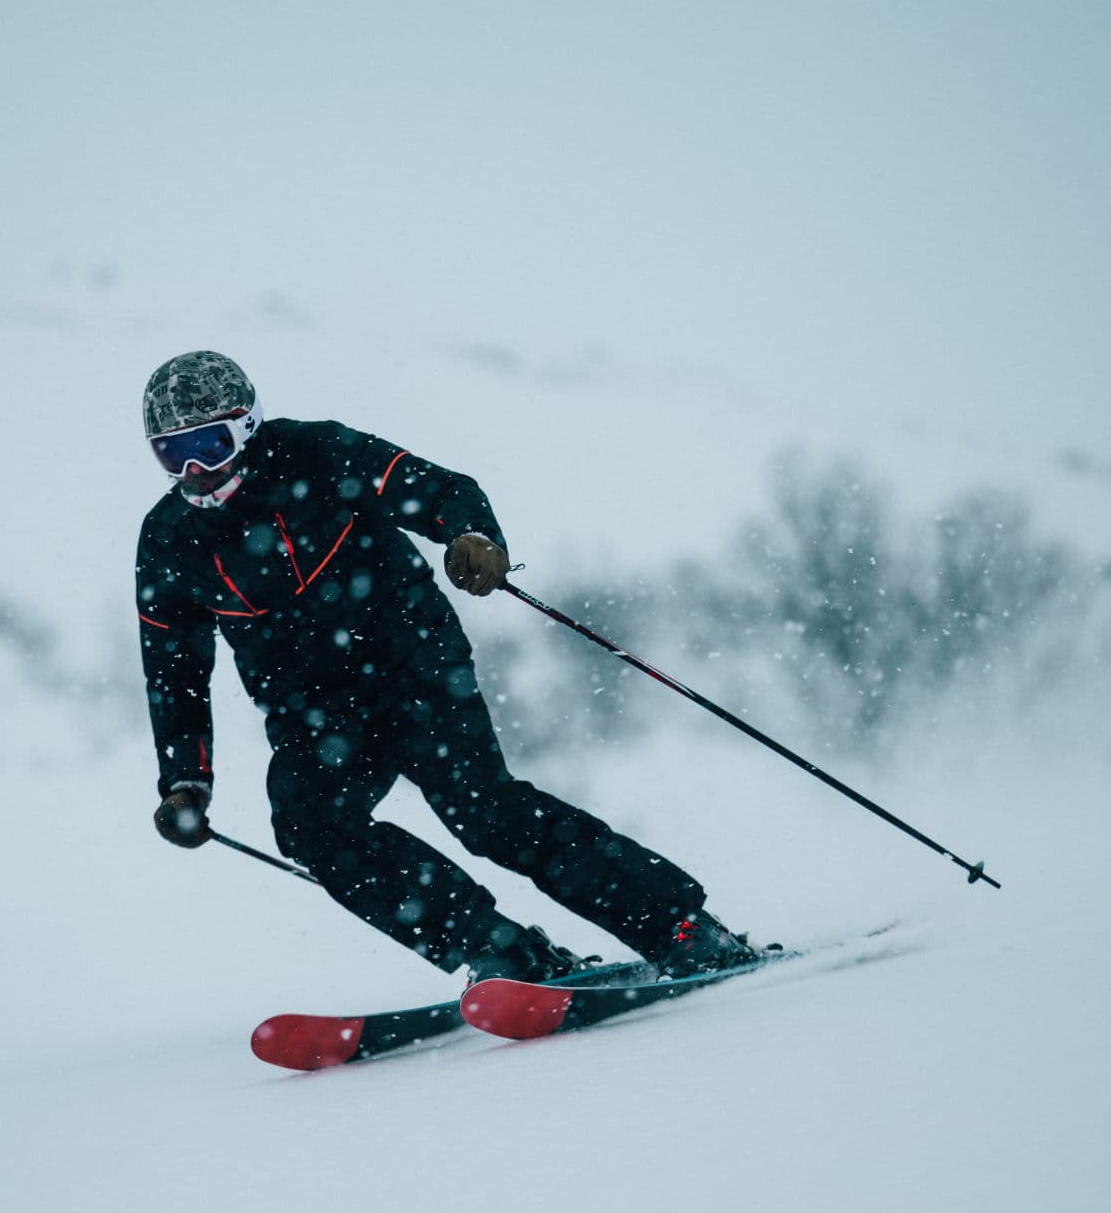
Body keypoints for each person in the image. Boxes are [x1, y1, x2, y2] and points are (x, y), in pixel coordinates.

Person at [134, 350, 758, 982]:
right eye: (171, 454)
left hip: (412, 666)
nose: (194, 471)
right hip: (311, 712)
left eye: (208, 445)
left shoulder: (318, 454)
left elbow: (440, 491)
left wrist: (472, 537)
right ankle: (500, 950)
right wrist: (186, 780)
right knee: (313, 828)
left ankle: (677, 926)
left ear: (246, 427)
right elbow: (174, 673)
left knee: (484, 813)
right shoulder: (166, 540)